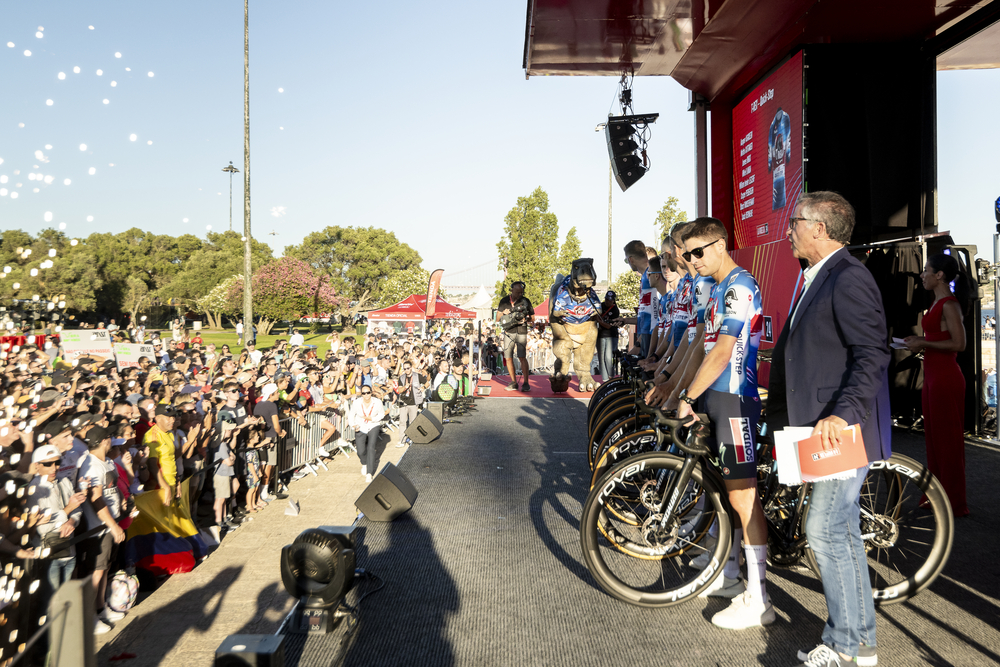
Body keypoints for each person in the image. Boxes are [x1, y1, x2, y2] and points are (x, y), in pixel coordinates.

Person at [767, 191, 891, 667]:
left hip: (839, 431)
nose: (789, 231)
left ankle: (845, 645)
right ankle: (859, 645)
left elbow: (872, 352)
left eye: (795, 222)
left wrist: (843, 413)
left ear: (819, 229)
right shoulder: (816, 277)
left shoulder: (849, 277)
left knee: (825, 530)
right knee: (837, 533)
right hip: (817, 428)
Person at [650, 217, 771, 629]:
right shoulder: (717, 288)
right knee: (724, 490)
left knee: (743, 497)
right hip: (716, 399)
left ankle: (760, 598)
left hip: (735, 399)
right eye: (687, 254)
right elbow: (696, 347)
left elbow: (721, 353)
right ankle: (733, 573)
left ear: (721, 245)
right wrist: (676, 385)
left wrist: (686, 395)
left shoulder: (738, 286)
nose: (691, 260)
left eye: (698, 252)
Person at [904, 253, 970, 517]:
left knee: (948, 443)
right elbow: (939, 337)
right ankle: (938, 497)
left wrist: (924, 343)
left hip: (945, 379)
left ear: (939, 275)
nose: (922, 275)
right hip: (933, 375)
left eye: (926, 270)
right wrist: (919, 341)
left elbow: (959, 344)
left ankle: (954, 503)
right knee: (934, 440)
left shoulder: (949, 305)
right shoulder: (937, 303)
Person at [497, 281, 534, 392]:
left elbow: (533, 318)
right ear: (512, 290)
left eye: (521, 292)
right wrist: (504, 313)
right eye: (517, 292)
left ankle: (526, 383)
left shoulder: (525, 301)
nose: (520, 294)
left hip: (522, 331)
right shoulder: (504, 301)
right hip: (508, 331)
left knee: (522, 356)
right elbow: (497, 318)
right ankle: (513, 382)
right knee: (508, 357)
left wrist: (525, 319)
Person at [349, 385, 385, 483]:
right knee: (360, 451)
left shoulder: (377, 402)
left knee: (371, 447)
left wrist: (373, 419)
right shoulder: (357, 403)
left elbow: (382, 414)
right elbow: (351, 415)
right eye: (364, 393)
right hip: (360, 426)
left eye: (368, 392)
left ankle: (369, 473)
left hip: (373, 425)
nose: (366, 395)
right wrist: (353, 425)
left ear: (371, 392)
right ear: (361, 394)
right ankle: (364, 463)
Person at [394, 360, 428, 447]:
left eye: (408, 368)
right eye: (405, 369)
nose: (406, 370)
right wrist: (405, 387)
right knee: (402, 421)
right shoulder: (401, 378)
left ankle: (412, 438)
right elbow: (399, 390)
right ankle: (402, 440)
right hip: (404, 402)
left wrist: (423, 387)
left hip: (414, 402)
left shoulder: (417, 376)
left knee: (413, 422)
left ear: (411, 368)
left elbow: (427, 382)